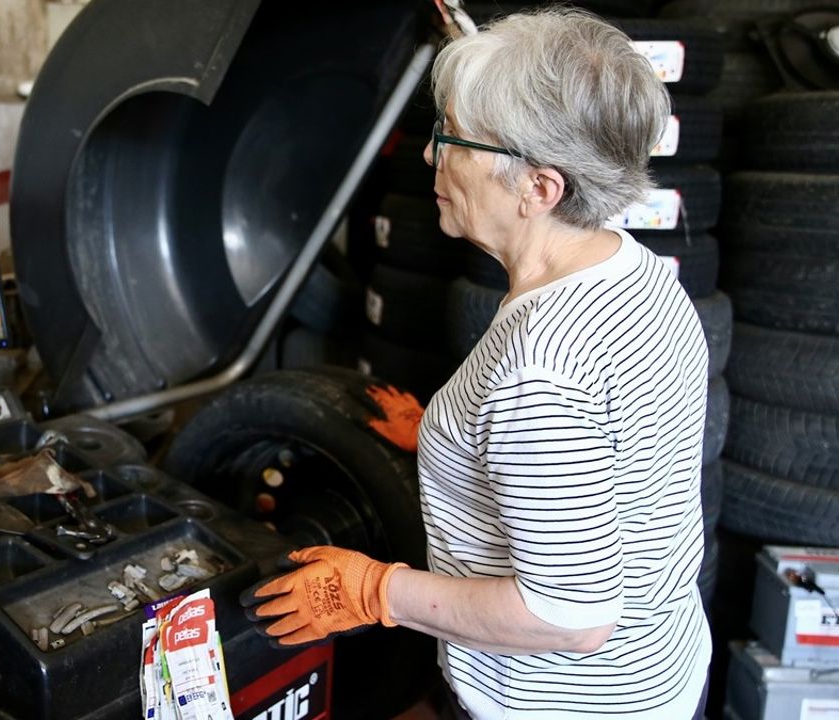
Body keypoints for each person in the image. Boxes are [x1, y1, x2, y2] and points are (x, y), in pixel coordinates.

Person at [242, 8, 711, 719]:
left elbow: (572, 617)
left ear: (539, 189)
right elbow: (610, 446)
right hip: (659, 675)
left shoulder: (542, 369)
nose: (432, 157)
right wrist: (459, 438)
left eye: (452, 138)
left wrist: (376, 592)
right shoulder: (635, 275)